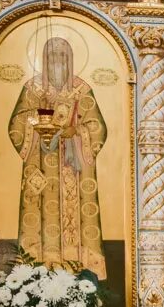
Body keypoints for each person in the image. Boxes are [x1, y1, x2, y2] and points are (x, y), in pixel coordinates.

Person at [8, 36, 108, 279]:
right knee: (41, 219)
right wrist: (39, 124)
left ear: (70, 60)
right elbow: (16, 126)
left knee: (80, 224)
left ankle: (82, 270)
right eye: (52, 57)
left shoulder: (81, 90)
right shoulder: (32, 89)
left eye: (62, 57)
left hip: (73, 171)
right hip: (42, 170)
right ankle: (38, 272)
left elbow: (97, 128)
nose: (57, 63)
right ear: (44, 60)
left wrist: (76, 132)